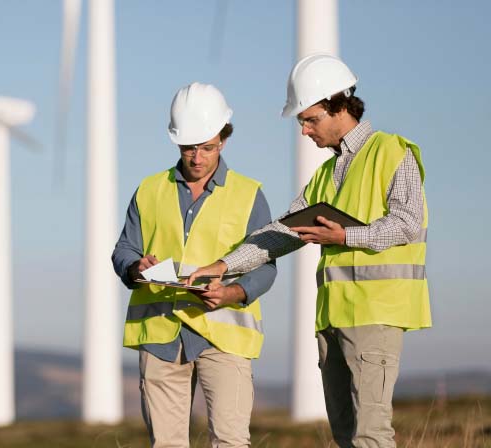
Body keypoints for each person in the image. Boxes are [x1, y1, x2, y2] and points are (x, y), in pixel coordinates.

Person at [187, 54, 430, 448]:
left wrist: (347, 237)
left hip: (377, 314)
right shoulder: (326, 174)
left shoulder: (392, 152)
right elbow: (283, 232)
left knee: (371, 435)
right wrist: (222, 265)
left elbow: (408, 223)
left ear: (338, 106)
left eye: (310, 119)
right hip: (333, 318)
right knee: (346, 435)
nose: (303, 131)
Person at [112, 82, 277, 448]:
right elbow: (124, 248)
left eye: (207, 147)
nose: (198, 157)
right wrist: (136, 267)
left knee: (230, 441)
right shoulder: (149, 190)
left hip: (224, 336)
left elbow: (266, 265)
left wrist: (233, 291)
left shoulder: (248, 194)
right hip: (160, 335)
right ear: (176, 142)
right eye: (189, 148)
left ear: (224, 139)